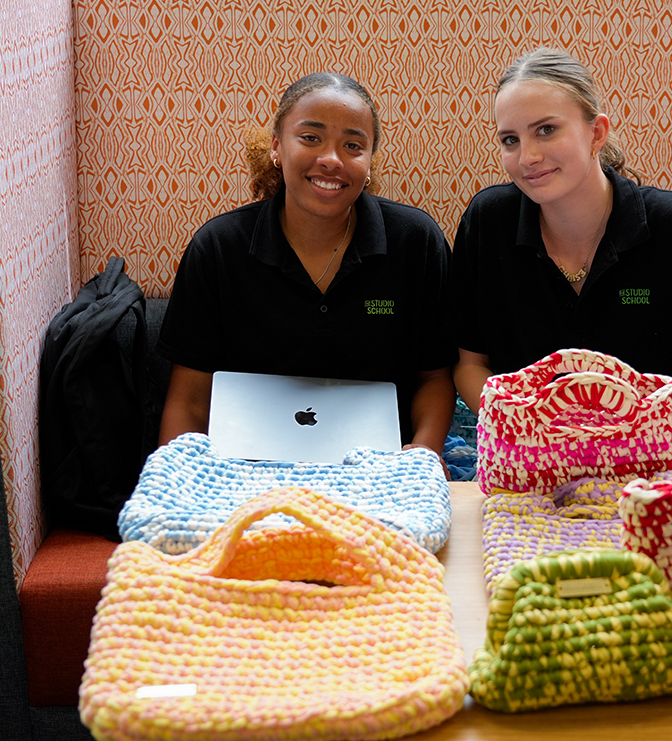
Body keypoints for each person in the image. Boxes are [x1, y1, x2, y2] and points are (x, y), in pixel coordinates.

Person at [447, 49, 672, 462]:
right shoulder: (487, 222)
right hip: (533, 460)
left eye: (546, 130)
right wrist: (533, 438)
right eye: (510, 140)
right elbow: (469, 367)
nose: (527, 157)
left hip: (666, 462)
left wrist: (667, 472)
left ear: (597, 133)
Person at [157, 73, 456, 463]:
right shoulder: (219, 248)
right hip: (243, 472)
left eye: (353, 145)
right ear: (277, 147)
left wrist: (422, 457)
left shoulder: (415, 243)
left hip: (381, 470)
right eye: (311, 138)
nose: (331, 159)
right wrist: (178, 480)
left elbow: (434, 378)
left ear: (368, 163)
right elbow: (190, 399)